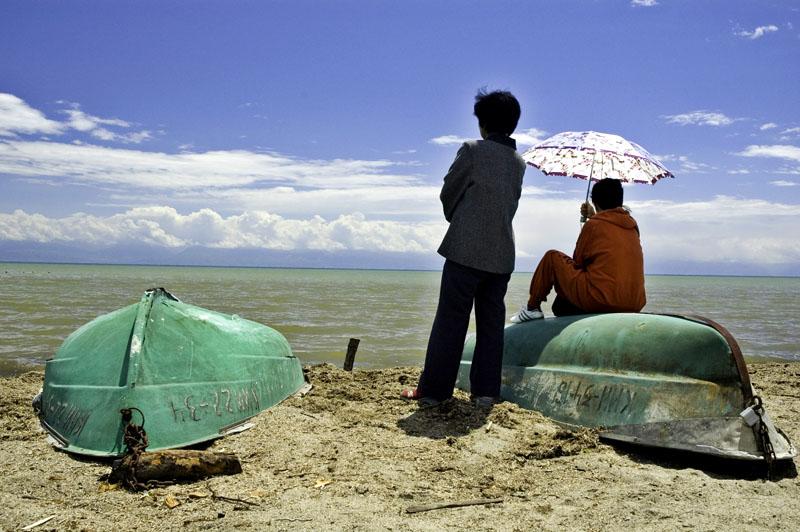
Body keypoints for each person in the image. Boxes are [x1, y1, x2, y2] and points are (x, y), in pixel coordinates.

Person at [401, 89, 526, 407]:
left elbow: (449, 192)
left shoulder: (472, 150)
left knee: (451, 321)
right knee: (491, 325)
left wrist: (460, 219)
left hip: (465, 250)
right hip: (501, 253)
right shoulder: (519, 162)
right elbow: (509, 204)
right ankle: (485, 394)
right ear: (513, 124)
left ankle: (433, 392)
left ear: (482, 123)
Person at [511, 178, 645, 322]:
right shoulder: (632, 227)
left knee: (552, 257)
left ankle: (532, 308)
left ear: (595, 202)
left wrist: (591, 221)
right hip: (634, 304)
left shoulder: (594, 225)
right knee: (560, 306)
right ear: (620, 200)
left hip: (603, 300)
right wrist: (594, 216)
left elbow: (578, 261)